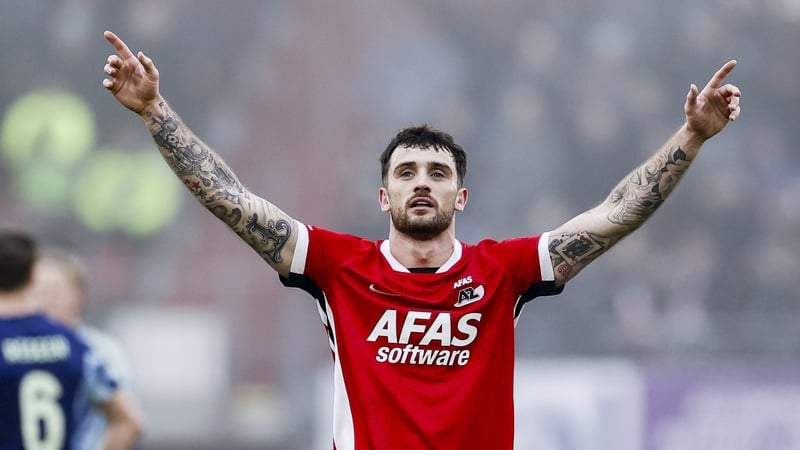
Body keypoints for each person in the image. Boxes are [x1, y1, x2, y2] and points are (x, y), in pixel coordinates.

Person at [101, 29, 741, 450]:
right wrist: (156, 111)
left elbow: (613, 216)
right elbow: (230, 200)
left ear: (461, 197)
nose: (421, 184)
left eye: (438, 174)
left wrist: (691, 139)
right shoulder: (335, 265)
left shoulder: (504, 271)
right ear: (384, 196)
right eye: (405, 173)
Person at [0, 231, 143, 450]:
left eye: (54, 292)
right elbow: (129, 420)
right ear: (31, 277)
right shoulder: (75, 344)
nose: (46, 300)